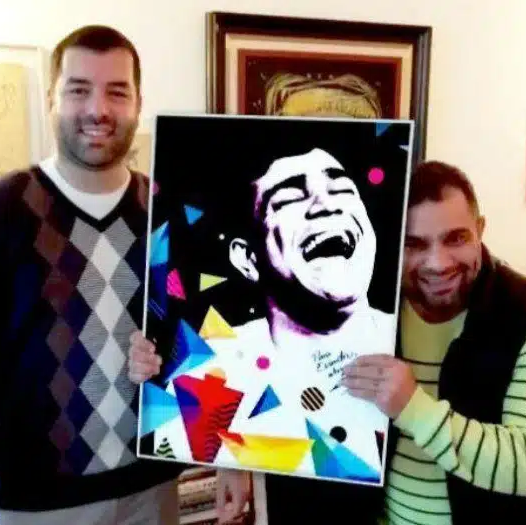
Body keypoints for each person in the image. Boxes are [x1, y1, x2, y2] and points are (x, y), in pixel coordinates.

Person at [132, 159, 526, 524]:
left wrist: (413, 406)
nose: (438, 262)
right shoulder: (384, 315)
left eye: (457, 238)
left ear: (481, 230)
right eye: (415, 244)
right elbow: (290, 394)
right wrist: (237, 458)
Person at [0, 25, 184, 525]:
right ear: (51, 100)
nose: (98, 110)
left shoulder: (170, 212)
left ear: (138, 104)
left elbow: (207, 341)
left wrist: (228, 456)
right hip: (37, 505)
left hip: (154, 493)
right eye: (78, 90)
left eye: (117, 92)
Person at [129, 119, 409, 523]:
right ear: (248, 258)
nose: (326, 204)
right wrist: (231, 457)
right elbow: (169, 430)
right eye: (290, 198)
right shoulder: (210, 367)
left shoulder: (407, 340)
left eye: (342, 190)